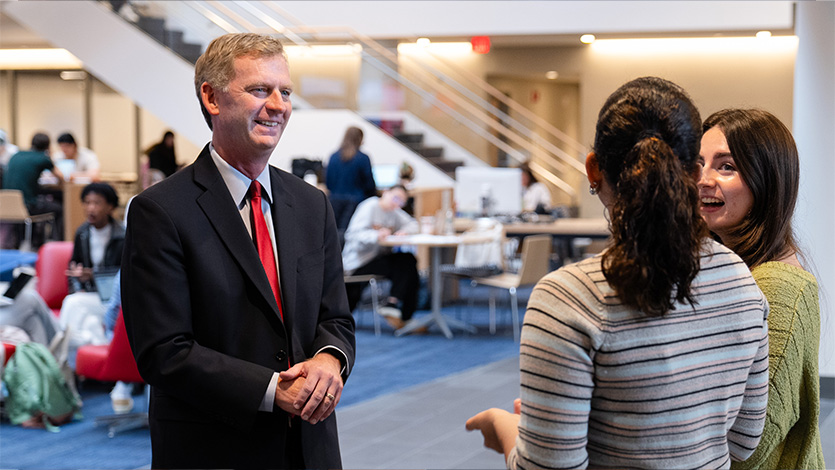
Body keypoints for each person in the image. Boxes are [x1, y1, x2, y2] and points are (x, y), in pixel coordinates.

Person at [466, 77, 770, 469]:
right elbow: (744, 442)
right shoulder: (743, 282)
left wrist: (505, 427)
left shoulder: (566, 299)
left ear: (593, 169)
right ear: (695, 172)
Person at [121, 33, 355, 469]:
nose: (279, 105)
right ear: (211, 98)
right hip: (215, 449)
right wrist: (272, 389)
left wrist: (329, 360)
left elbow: (335, 317)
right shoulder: (161, 212)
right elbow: (164, 351)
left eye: (284, 92)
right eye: (259, 90)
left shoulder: (310, 204)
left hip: (311, 448)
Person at [698, 109, 825, 470]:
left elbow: (750, 444)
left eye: (726, 166)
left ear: (767, 180)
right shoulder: (731, 270)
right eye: (698, 163)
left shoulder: (778, 286)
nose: (703, 179)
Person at [59, 182, 124, 366]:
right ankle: (82, 364)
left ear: (110, 207)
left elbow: (124, 275)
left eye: (97, 203)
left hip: (112, 299)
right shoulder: (83, 233)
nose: (90, 208)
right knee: (88, 323)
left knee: (73, 303)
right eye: (87, 203)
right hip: (89, 295)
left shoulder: (122, 236)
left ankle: (62, 358)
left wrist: (94, 275)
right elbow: (73, 269)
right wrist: (78, 286)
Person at [342, 184, 419, 330]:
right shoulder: (370, 206)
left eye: (401, 202)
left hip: (378, 258)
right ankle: (396, 307)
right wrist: (376, 235)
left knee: (409, 260)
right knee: (405, 263)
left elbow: (413, 224)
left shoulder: (394, 211)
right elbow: (352, 236)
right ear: (385, 193)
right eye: (395, 198)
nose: (397, 203)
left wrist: (403, 231)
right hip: (359, 262)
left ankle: (398, 309)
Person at [3, 132, 64, 241]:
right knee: (59, 208)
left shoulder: (16, 155)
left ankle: (32, 241)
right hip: (27, 206)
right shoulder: (42, 157)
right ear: (48, 146)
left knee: (38, 200)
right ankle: (57, 242)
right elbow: (60, 176)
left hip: (7, 205)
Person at [325, 126, 377, 232]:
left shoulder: (333, 157)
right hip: (356, 202)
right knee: (349, 233)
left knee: (335, 233)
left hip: (334, 201)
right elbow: (369, 184)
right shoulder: (363, 158)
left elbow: (328, 183)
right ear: (360, 139)